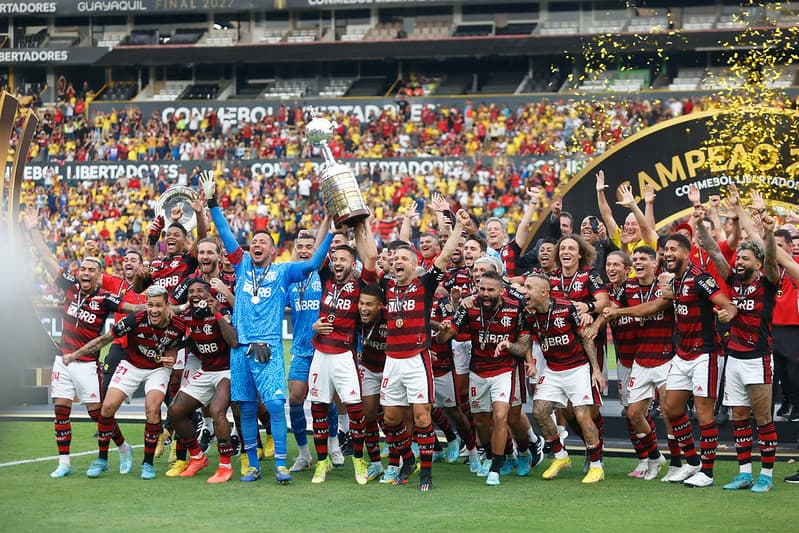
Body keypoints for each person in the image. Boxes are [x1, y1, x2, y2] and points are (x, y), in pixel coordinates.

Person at [201, 173, 333, 484]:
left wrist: (330, 231)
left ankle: (282, 465)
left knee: (274, 404)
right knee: (245, 409)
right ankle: (251, 464)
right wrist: (212, 204)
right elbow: (224, 233)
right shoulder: (242, 264)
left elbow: (313, 264)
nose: (256, 244)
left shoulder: (285, 271)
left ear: (273, 251)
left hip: (269, 348)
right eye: (254, 242)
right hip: (241, 348)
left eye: (263, 242)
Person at [606, 232, 738, 488]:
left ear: (686, 253)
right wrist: (619, 311)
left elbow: (726, 303)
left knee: (703, 414)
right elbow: (652, 308)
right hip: (683, 354)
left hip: (704, 354)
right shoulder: (674, 283)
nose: (668, 253)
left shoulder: (700, 279)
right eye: (666, 249)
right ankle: (691, 461)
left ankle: (707, 472)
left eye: (673, 249)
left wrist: (728, 312)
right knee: (671, 408)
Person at [23, 210, 136, 478]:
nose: (85, 273)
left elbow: (132, 306)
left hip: (87, 364)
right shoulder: (71, 286)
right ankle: (64, 463)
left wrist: (158, 308)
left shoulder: (105, 298)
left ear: (98, 276)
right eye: (82, 269)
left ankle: (122, 448)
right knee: (60, 411)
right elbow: (46, 258)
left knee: (97, 414)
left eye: (91, 271)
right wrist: (33, 230)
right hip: (62, 360)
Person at [378, 209, 468, 492]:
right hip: (392, 360)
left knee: (422, 418)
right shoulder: (387, 285)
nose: (398, 262)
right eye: (395, 260)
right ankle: (407, 459)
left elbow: (443, 256)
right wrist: (367, 227)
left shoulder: (425, 284)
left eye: (405, 259)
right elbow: (382, 253)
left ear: (416, 265)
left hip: (417, 359)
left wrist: (460, 227)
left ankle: (426, 474)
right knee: (390, 419)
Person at [63, 285, 188, 480]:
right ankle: (102, 459)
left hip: (158, 369)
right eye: (150, 305)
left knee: (152, 409)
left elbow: (178, 347)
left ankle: (147, 464)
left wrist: (171, 357)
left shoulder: (179, 326)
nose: (154, 310)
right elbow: (103, 340)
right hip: (131, 364)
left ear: (167, 307)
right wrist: (76, 355)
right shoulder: (136, 319)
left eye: (158, 306)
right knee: (107, 407)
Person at [699, 212, 779, 492]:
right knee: (739, 417)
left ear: (757, 263)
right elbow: (712, 250)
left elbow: (771, 259)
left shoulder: (768, 281)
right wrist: (699, 222)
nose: (740, 262)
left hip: (758, 358)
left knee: (763, 418)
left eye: (746, 259)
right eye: (739, 258)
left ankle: (766, 475)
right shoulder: (733, 280)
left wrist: (768, 235)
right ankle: (744, 473)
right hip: (733, 358)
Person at [439, 270, 536, 486]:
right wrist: (442, 331)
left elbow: (524, 343)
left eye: (490, 290)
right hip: (478, 370)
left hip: (505, 368)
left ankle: (498, 466)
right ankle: (504, 455)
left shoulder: (516, 307)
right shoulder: (469, 306)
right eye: (481, 289)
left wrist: (510, 347)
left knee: (503, 417)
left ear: (501, 291)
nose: (485, 293)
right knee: (482, 422)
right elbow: (449, 333)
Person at [307, 217, 377, 485]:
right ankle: (322, 462)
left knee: (355, 410)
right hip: (320, 355)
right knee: (318, 408)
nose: (337, 263)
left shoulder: (361, 286)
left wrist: (362, 225)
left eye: (343, 260)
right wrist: (328, 219)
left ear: (352, 264)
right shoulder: (325, 278)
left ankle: (358, 459)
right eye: (335, 259)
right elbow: (317, 252)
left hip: (345, 356)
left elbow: (370, 257)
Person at [522, 274, 607, 484]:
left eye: (529, 288)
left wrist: (595, 369)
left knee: (582, 416)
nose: (525, 291)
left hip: (577, 368)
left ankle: (597, 466)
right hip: (552, 369)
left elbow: (585, 339)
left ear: (544, 292)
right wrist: (531, 361)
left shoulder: (566, 308)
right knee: (540, 411)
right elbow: (524, 340)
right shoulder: (528, 313)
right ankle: (561, 456)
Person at [598, 246, 673, 481]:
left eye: (616, 265)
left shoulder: (662, 283)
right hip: (627, 359)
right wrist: (594, 317)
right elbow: (607, 310)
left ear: (626, 269)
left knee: (670, 411)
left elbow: (647, 308)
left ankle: (678, 461)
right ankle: (648, 458)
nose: (611, 268)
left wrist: (619, 313)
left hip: (659, 354)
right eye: (608, 265)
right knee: (631, 412)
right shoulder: (612, 292)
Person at [165, 279, 239, 483]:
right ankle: (197, 458)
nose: (195, 294)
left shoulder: (222, 311)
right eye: (191, 291)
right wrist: (173, 349)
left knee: (216, 410)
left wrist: (216, 314)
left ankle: (225, 466)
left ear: (210, 295)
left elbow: (233, 341)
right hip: (206, 371)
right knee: (175, 411)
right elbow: (188, 337)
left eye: (200, 290)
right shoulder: (189, 316)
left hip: (227, 371)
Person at [285, 229, 340, 473]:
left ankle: (333, 444)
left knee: (324, 398)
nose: (305, 250)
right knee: (295, 398)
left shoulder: (323, 274)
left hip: (324, 348)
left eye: (309, 246)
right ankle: (304, 453)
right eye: (301, 246)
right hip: (300, 349)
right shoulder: (289, 277)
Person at [355, 284, 390, 481]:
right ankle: (376, 464)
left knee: (393, 417)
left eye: (369, 304)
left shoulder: (391, 318)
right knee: (367, 415)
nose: (364, 308)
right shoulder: (356, 316)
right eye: (361, 303)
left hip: (390, 370)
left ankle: (401, 459)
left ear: (381, 306)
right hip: (368, 368)